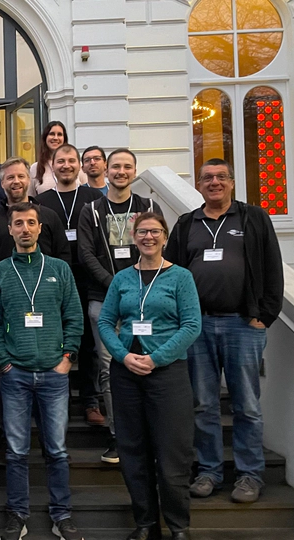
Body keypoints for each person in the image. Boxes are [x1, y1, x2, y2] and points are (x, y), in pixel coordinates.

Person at [164, 158, 284, 504]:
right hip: (197, 326)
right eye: (207, 178)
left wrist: (265, 314)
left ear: (231, 182)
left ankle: (250, 475)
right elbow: (172, 273)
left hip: (242, 324)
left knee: (246, 405)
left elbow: (273, 266)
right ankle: (209, 471)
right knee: (203, 404)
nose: (214, 182)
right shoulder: (187, 224)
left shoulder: (253, 218)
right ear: (199, 185)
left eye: (220, 177)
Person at [0, 202, 85, 540]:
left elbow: (74, 316)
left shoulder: (59, 269)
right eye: (18, 224)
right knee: (15, 452)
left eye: (30, 223)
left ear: (40, 228)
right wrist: (4, 362)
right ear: (10, 229)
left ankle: (62, 515)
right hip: (15, 375)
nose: (25, 229)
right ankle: (17, 514)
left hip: (54, 375)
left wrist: (67, 359)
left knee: (57, 450)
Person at [98, 212, 201, 540]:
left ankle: (178, 527)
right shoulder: (122, 279)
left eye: (155, 231)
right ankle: (145, 524)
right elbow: (105, 322)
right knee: (133, 453)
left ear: (165, 237)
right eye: (142, 231)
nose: (148, 237)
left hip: (168, 375)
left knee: (172, 455)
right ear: (134, 237)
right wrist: (123, 355)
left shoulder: (181, 277)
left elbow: (192, 325)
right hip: (127, 374)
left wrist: (156, 359)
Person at [76, 148, 160, 464]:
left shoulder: (148, 207)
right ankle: (119, 437)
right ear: (106, 171)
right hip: (104, 302)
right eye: (115, 166)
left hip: (146, 302)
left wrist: (136, 289)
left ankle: (149, 437)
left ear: (134, 171)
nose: (120, 171)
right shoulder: (91, 210)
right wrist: (117, 287)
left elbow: (157, 246)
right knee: (109, 369)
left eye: (127, 166)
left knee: (148, 364)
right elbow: (86, 254)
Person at [36, 145, 105, 426]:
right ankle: (57, 402)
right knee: (54, 339)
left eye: (71, 161)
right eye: (61, 161)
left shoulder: (94, 198)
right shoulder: (41, 201)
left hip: (88, 279)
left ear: (80, 165)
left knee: (88, 342)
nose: (66, 165)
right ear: (52, 165)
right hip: (52, 281)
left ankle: (91, 400)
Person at [0, 156, 71, 265]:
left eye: (21, 176)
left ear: (29, 180)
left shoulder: (49, 216)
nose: (16, 181)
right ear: (2, 183)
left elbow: (63, 254)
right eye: (10, 177)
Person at [28, 121, 87, 197]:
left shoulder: (76, 165)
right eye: (52, 134)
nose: (55, 138)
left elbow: (86, 191)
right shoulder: (35, 168)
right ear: (45, 138)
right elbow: (30, 197)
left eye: (59, 134)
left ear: (64, 139)